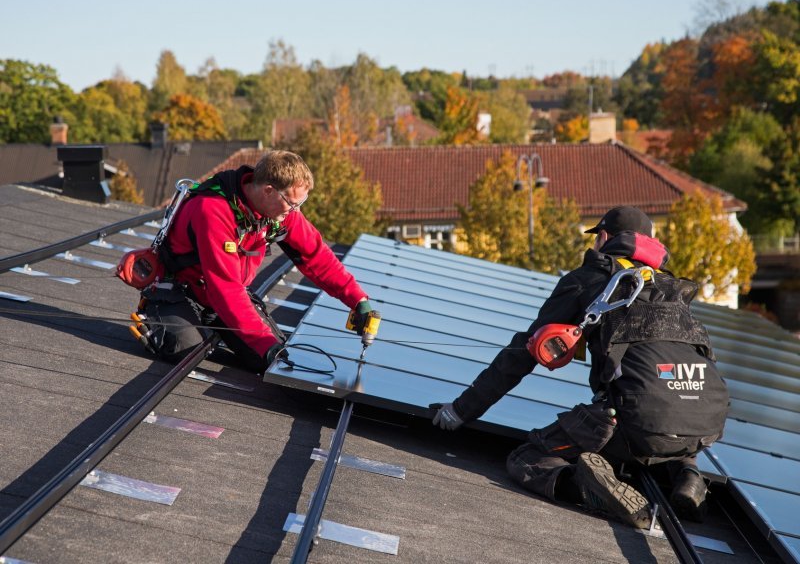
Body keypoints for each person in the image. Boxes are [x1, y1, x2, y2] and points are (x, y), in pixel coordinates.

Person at [431, 206, 729, 528]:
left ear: (603, 238)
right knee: (667, 417)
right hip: (703, 426)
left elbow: (524, 352)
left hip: (630, 423)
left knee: (528, 459)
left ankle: (582, 487)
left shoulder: (591, 279)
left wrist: (461, 410)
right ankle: (688, 475)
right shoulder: (673, 289)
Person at [135, 150, 374, 372]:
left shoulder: (280, 212)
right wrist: (263, 343)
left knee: (273, 359)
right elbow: (225, 289)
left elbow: (316, 256)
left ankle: (212, 327)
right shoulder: (214, 211)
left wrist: (357, 299)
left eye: (301, 205)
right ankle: (156, 317)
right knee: (186, 349)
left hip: (222, 294)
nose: (296, 212)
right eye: (293, 204)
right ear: (269, 190)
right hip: (180, 289)